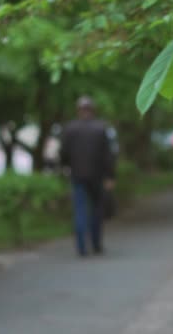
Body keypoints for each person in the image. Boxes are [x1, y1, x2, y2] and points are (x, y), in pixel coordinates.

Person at [60, 96, 116, 256]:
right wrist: (110, 176)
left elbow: (63, 153)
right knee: (96, 210)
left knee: (80, 210)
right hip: (97, 177)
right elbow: (109, 155)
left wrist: (65, 168)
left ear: (78, 110)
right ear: (92, 110)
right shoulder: (101, 128)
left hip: (77, 176)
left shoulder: (70, 129)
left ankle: (81, 247)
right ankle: (96, 244)